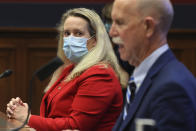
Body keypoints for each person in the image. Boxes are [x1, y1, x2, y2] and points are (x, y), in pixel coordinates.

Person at [6, 8, 128, 131]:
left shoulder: (100, 74)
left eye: (78, 33)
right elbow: (55, 117)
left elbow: (75, 126)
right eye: (67, 33)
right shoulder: (69, 70)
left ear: (95, 40)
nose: (71, 39)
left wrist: (28, 118)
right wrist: (23, 112)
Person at [109, 0, 196, 131]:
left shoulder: (171, 88)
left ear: (148, 27)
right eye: (112, 22)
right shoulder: (142, 78)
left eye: (120, 23)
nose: (111, 32)